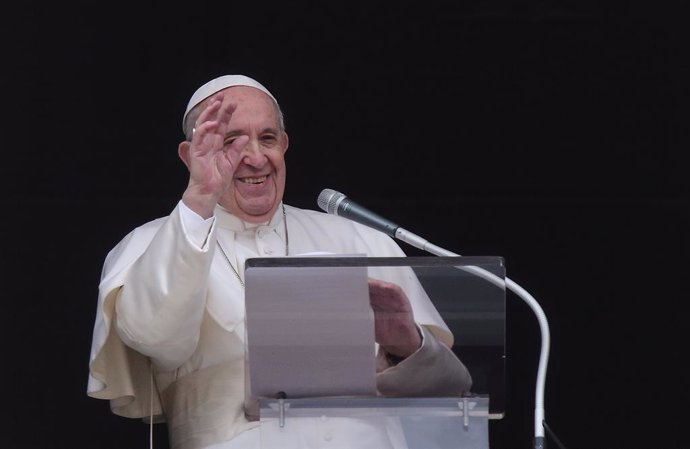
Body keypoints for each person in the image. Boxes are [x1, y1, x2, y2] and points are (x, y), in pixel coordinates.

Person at [87, 74, 472, 449]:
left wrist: (407, 345)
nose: (255, 157)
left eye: (267, 138)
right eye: (231, 141)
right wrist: (202, 194)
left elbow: (452, 391)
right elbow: (156, 339)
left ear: (284, 145)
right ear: (190, 155)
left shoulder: (360, 240)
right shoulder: (148, 244)